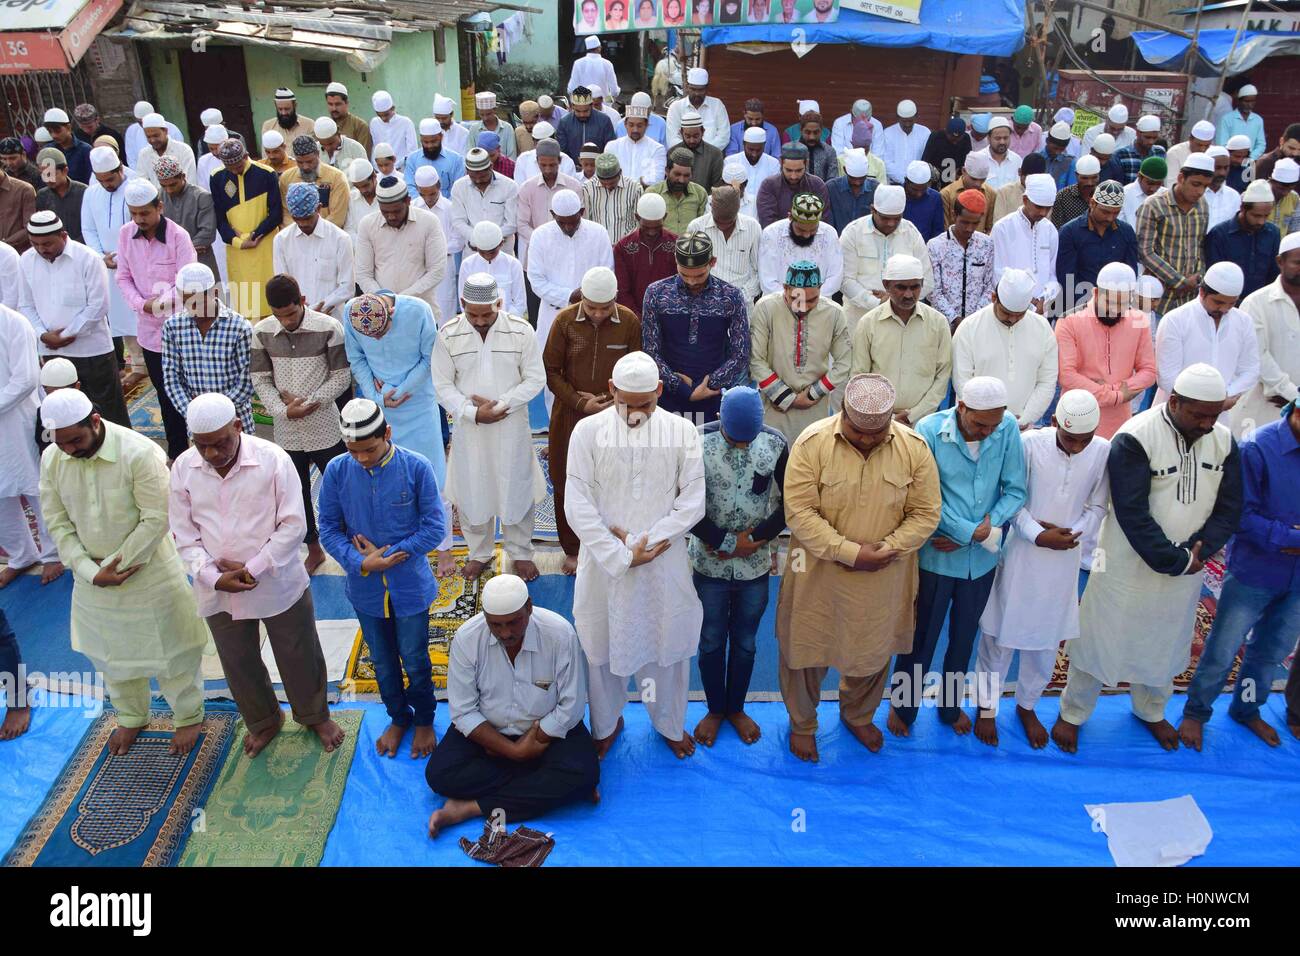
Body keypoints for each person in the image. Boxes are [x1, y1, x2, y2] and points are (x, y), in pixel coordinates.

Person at [1054, 365, 1243, 752]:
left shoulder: (1223, 440)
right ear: (1173, 401)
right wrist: (1173, 559)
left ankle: (1151, 711)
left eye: (1214, 414)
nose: (1208, 423)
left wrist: (1198, 553)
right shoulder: (1136, 436)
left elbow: (1230, 506)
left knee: (1167, 641)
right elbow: (1131, 511)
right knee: (1099, 640)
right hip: (1125, 566)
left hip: (1188, 567)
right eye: (1199, 415)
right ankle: (1072, 713)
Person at [169, 393, 345, 758]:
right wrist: (212, 576)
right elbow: (183, 534)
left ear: (238, 426)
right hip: (216, 585)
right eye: (203, 447)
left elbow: (294, 525)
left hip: (276, 577)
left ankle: (314, 716)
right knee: (237, 658)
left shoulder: (273, 460)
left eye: (220, 444)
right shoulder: (184, 468)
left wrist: (253, 567)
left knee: (298, 650)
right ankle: (263, 721)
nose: (213, 454)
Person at [779, 373, 941, 760]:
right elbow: (799, 512)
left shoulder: (915, 448)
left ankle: (858, 714)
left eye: (877, 433)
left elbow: (926, 513)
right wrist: (849, 553)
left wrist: (888, 548)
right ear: (843, 414)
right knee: (806, 651)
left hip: (885, 573)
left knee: (873, 648)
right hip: (819, 574)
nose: (867, 439)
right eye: (858, 431)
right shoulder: (811, 443)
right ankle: (803, 723)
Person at [39, 388, 209, 754]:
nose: (69, 450)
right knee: (110, 656)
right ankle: (131, 716)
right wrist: (88, 569)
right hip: (92, 578)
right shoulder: (54, 458)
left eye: (75, 440)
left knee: (174, 653)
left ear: (95, 422)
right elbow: (55, 520)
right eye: (61, 442)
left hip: (148, 570)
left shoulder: (138, 452)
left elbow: (157, 517)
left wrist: (117, 564)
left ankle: (188, 715)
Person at [565, 351, 706, 759]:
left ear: (660, 391)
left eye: (645, 404)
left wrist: (646, 544)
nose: (635, 413)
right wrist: (621, 554)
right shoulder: (587, 432)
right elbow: (577, 503)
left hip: (662, 562)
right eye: (626, 403)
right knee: (601, 647)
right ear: (611, 390)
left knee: (667, 649)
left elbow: (693, 502)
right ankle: (607, 724)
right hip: (605, 565)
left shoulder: (683, 432)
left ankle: (669, 724)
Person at [889, 377, 1027, 737]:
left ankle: (950, 709)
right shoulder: (930, 430)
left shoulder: (1006, 427)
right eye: (980, 424)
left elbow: (1015, 490)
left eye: (993, 425)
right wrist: (968, 532)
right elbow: (925, 497)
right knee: (920, 640)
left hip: (979, 561)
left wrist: (982, 530)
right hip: (936, 556)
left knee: (963, 639)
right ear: (961, 407)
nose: (987, 432)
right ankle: (903, 709)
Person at [973, 390, 1109, 748]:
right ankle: (986, 707)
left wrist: (1070, 534)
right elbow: (1011, 498)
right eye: (1070, 439)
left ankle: (1027, 705)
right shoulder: (1030, 443)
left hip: (1064, 557)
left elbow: (1098, 505)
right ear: (1053, 424)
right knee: (999, 634)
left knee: (1046, 641)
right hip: (1022, 554)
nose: (1078, 447)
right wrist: (1038, 534)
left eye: (1085, 439)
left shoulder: (1102, 451)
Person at [318, 399, 445, 758]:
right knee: (383, 661)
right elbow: (327, 527)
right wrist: (360, 562)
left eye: (369, 449)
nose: (362, 458)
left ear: (387, 434)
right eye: (353, 450)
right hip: (365, 589)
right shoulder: (337, 470)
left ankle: (423, 720)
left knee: (415, 657)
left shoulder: (416, 468)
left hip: (409, 589)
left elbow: (435, 527)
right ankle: (398, 717)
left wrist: (384, 558)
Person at [425, 573, 599, 836]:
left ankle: (471, 807)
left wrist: (536, 740)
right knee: (439, 774)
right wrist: (514, 751)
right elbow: (464, 711)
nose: (506, 633)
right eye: (496, 625)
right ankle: (548, 786)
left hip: (547, 734)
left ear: (529, 607)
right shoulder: (467, 638)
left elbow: (571, 706)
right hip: (490, 733)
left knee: (584, 773)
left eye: (514, 622)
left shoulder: (560, 634)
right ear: (484, 616)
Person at [1179, 397, 1300, 749]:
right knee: (1223, 648)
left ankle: (1246, 709)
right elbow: (1240, 516)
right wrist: (1292, 537)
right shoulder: (1259, 448)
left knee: (1271, 651)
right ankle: (1196, 713)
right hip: (1255, 572)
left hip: (1297, 579)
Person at [685, 387, 785, 747]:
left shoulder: (775, 443)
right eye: (735, 438)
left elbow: (791, 503)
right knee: (711, 640)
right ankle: (715, 709)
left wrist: (755, 540)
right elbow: (685, 504)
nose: (743, 445)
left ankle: (737, 708)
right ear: (721, 421)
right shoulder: (695, 443)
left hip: (755, 566)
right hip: (708, 565)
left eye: (749, 439)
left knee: (745, 642)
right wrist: (727, 542)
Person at [432, 274, 547, 582]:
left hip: (511, 426)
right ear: (462, 305)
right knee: (472, 488)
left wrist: (501, 405)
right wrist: (472, 413)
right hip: (471, 429)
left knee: (516, 486)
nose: (481, 321)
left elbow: (536, 378)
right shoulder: (448, 335)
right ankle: (479, 552)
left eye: (487, 313)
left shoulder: (521, 331)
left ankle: (520, 552)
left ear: (499, 303)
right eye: (473, 314)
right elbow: (442, 385)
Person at [543, 267, 642, 577]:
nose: (598, 314)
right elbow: (552, 371)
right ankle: (572, 549)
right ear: (582, 298)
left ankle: (609, 543)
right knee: (566, 478)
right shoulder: (564, 322)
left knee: (613, 479)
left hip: (616, 416)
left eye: (604, 307)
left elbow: (636, 367)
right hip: (570, 414)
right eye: (592, 307)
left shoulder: (628, 321)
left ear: (615, 299)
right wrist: (579, 402)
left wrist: (616, 401)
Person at [342, 291, 451, 567]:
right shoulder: (351, 313)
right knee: (385, 476)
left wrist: (400, 390)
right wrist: (377, 397)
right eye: (373, 338)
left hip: (418, 403)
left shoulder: (418, 311)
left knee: (434, 476)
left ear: (391, 312)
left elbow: (430, 359)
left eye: (382, 334)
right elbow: (357, 360)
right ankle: (396, 540)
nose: (377, 341)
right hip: (379, 407)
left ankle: (443, 547)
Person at [251, 275, 352, 574]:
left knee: (341, 487)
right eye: (278, 316)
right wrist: (283, 411)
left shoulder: (329, 328)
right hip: (287, 431)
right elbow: (261, 379)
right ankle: (314, 548)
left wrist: (309, 403)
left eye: (291, 314)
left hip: (325, 426)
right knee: (295, 494)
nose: (285, 322)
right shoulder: (261, 333)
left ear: (303, 301)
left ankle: (351, 544)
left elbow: (342, 376)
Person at [17, 210, 130, 426]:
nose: (42, 249)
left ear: (64, 236)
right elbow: (26, 304)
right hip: (51, 351)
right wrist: (43, 335)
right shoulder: (26, 260)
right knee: (64, 415)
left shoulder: (88, 258)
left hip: (92, 350)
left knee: (108, 413)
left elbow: (98, 306)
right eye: (35, 244)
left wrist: (67, 334)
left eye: (47, 243)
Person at [116, 178, 197, 460]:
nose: (139, 219)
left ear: (159, 207)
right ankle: (177, 452)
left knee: (193, 391)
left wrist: (159, 303)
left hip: (184, 331)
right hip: (149, 333)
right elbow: (123, 277)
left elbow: (187, 282)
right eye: (134, 213)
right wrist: (142, 305)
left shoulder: (178, 237)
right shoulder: (126, 235)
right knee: (165, 395)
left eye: (145, 213)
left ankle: (205, 445)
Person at [641, 232, 750, 424]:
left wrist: (707, 385)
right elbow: (650, 351)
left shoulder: (731, 296)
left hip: (711, 397)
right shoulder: (656, 293)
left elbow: (741, 353)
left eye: (699, 275)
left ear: (713, 262)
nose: (692, 281)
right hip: (667, 396)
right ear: (675, 262)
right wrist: (680, 387)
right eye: (685, 275)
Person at [526, 188, 615, 404]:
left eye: (572, 222)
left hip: (594, 315)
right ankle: (555, 426)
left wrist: (588, 299)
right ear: (552, 214)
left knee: (590, 368)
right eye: (562, 222)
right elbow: (536, 280)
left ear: (582, 212)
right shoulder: (540, 235)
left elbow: (607, 272)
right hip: (553, 315)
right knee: (553, 372)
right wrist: (569, 296)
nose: (568, 227)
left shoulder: (598, 233)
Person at [750, 260, 850, 444]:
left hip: (814, 406)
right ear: (785, 288)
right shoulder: (766, 308)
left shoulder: (834, 313)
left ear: (821, 288)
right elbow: (756, 359)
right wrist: (787, 398)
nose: (804, 306)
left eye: (812, 299)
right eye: (797, 299)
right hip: (774, 405)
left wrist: (813, 394)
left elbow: (844, 362)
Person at [1055, 262, 1158, 439]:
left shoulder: (1139, 320)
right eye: (1109, 302)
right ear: (1096, 293)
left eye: (1122, 304)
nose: (1114, 310)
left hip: (1120, 422)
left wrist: (1113, 390)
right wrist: (1116, 396)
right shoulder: (1069, 321)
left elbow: (1149, 371)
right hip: (1077, 420)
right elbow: (1066, 375)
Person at [0, 300, 62, 588]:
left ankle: (53, 553)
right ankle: (20, 555)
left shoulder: (14, 323)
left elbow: (25, 379)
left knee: (36, 486)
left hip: (18, 421)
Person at [849, 254, 951, 426]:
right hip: (878, 420)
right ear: (886, 285)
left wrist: (914, 414)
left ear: (922, 285)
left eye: (915, 287)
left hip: (924, 420)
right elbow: (859, 376)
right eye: (901, 288)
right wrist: (883, 415)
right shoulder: (868, 323)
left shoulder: (938, 323)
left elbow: (942, 376)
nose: (908, 294)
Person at [952, 268, 1058, 429]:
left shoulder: (1042, 328)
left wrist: (1025, 419)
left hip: (1023, 428)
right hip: (976, 426)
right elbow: (962, 382)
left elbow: (1047, 380)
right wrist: (990, 421)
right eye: (1007, 313)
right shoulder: (969, 328)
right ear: (994, 298)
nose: (1013, 319)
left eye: (1020, 314)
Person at [1154, 261, 1260, 418]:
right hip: (1178, 412)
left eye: (1231, 303)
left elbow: (1250, 369)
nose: (1224, 309)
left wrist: (1221, 398)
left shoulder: (1243, 322)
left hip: (1223, 414)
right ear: (1202, 292)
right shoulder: (1175, 320)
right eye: (1218, 302)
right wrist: (1204, 403)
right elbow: (1167, 377)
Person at [163, 263, 254, 439]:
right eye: (186, 302)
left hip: (236, 421)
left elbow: (247, 381)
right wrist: (194, 412)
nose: (191, 309)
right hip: (197, 425)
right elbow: (171, 378)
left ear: (215, 293)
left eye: (196, 302)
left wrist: (216, 413)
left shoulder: (239, 327)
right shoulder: (173, 326)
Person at [80, 146, 144, 386]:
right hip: (108, 264)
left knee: (143, 309)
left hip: (137, 260)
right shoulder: (91, 193)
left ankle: (153, 358)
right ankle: (138, 363)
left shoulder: (136, 187)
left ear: (120, 169)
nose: (107, 184)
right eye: (101, 180)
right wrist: (99, 256)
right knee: (121, 314)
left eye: (111, 178)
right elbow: (88, 228)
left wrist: (127, 256)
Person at [355, 173, 448, 319]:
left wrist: (400, 299)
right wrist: (383, 298)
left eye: (396, 211)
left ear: (408, 201)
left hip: (420, 311)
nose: (391, 216)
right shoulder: (367, 225)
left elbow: (437, 270)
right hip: (382, 314)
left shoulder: (429, 222)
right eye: (385, 212)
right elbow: (363, 274)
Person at [839, 185, 933, 330]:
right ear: (873, 210)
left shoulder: (911, 233)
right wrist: (876, 303)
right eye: (885, 218)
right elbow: (845, 280)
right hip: (858, 319)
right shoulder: (853, 233)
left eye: (897, 219)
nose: (891, 223)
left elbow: (927, 281)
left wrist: (895, 300)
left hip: (901, 320)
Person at [1232, 232, 1300, 431]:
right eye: (1297, 262)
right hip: (1263, 405)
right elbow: (1258, 356)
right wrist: (1292, 395)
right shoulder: (1256, 302)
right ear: (1280, 261)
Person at [210, 139, 282, 320]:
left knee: (271, 295)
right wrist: (238, 242)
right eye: (230, 167)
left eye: (238, 165)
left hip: (265, 244)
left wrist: (254, 235)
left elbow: (275, 214)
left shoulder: (266, 173)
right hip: (237, 250)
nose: (235, 171)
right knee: (245, 302)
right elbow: (219, 217)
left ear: (246, 156)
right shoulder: (217, 177)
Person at [1137, 152, 1213, 318]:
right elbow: (1144, 252)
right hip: (1158, 300)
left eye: (1205, 186)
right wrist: (1179, 281)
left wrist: (1198, 278)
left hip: (1191, 299)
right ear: (1180, 178)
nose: (1200, 191)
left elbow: (1200, 245)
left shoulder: (1202, 206)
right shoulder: (1154, 205)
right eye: (1196, 184)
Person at [272, 182, 353, 323]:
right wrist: (301, 311)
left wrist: (319, 308)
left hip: (332, 320)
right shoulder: (281, 240)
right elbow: (281, 286)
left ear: (319, 208)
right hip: (296, 322)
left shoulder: (340, 238)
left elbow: (347, 287)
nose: (303, 224)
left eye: (307, 218)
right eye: (297, 219)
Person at [1056, 179, 1139, 311]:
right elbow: (1067, 277)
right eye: (1105, 212)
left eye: (1116, 213)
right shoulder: (1070, 232)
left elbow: (1130, 273)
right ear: (1092, 203)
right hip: (1079, 308)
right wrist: (1091, 306)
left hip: (1114, 309)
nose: (1110, 218)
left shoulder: (1126, 232)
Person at [991, 173, 1060, 315]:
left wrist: (1043, 300)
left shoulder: (1050, 230)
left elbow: (1053, 275)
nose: (1043, 213)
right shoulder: (1003, 228)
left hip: (1042, 311)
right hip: (1010, 308)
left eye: (1048, 208)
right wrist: (1026, 303)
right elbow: (997, 273)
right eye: (1039, 207)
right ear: (1025, 199)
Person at [927, 188, 996, 328]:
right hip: (943, 325)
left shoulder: (986, 244)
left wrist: (974, 320)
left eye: (975, 223)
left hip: (978, 325)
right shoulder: (935, 246)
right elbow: (933, 291)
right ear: (954, 216)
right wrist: (954, 319)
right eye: (964, 222)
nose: (969, 228)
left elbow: (989, 286)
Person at [1205, 179, 1281, 300]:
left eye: (1266, 216)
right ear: (1242, 208)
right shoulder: (1219, 235)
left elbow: (1274, 274)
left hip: (1262, 303)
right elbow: (1215, 277)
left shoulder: (1273, 233)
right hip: (1228, 304)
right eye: (1256, 216)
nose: (1261, 221)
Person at [758, 192, 843, 297]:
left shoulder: (829, 233)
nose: (807, 235)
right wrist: (794, 300)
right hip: (778, 305)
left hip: (820, 303)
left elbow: (835, 277)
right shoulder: (771, 234)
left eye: (813, 230)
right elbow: (768, 281)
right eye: (801, 230)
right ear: (790, 217)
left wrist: (810, 300)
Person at [687, 186, 762, 304]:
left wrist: (741, 295)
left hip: (742, 304)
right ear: (711, 207)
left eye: (729, 222)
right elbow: (690, 270)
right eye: (718, 221)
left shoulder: (753, 227)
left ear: (738, 210)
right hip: (705, 303)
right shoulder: (696, 227)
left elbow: (758, 271)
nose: (723, 226)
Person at [613, 192, 677, 317]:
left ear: (665, 217)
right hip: (634, 318)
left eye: (657, 227)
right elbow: (622, 290)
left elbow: (680, 285)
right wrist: (638, 319)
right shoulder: (623, 247)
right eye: (646, 227)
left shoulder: (676, 244)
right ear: (637, 217)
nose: (652, 233)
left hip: (670, 316)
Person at [157, 155, 220, 279]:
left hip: (201, 261)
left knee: (209, 297)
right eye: (164, 186)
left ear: (183, 176)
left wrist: (176, 251)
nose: (168, 190)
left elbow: (207, 234)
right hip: (171, 266)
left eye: (173, 185)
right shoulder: (159, 196)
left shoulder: (202, 197)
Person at [449, 148, 518, 251]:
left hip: (502, 250)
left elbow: (512, 224)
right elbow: (458, 221)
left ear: (491, 167)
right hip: (473, 251)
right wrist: (475, 238)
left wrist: (490, 240)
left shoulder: (509, 186)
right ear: (467, 171)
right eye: (473, 176)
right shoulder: (459, 187)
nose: (478, 180)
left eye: (482, 176)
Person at [458, 220, 526, 318]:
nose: (487, 255)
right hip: (477, 323)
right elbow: (464, 302)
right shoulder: (467, 264)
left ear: (501, 243)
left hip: (507, 323)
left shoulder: (513, 264)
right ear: (476, 247)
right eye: (483, 252)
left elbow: (520, 303)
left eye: (492, 252)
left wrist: (504, 322)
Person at [756, 142, 830, 228]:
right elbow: (768, 223)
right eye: (789, 170)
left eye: (798, 171)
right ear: (781, 162)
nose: (793, 176)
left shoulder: (817, 185)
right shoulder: (769, 185)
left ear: (806, 163)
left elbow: (823, 221)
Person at [644, 149, 709, 235]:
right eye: (677, 174)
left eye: (686, 176)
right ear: (667, 171)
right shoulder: (653, 193)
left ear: (692, 174)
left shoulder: (700, 193)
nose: (681, 180)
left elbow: (703, 225)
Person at [605, 95, 667, 188]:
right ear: (625, 124)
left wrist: (623, 183)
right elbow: (607, 175)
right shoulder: (612, 146)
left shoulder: (657, 149)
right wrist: (640, 181)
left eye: (639, 125)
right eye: (631, 125)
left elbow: (657, 179)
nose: (635, 130)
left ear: (646, 125)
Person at [582, 153, 642, 245]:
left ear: (620, 173)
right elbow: (586, 221)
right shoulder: (588, 188)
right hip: (598, 246)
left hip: (627, 246)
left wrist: (623, 243)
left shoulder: (635, 188)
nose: (608, 186)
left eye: (612, 183)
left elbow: (639, 223)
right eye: (604, 184)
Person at [34, 148, 86, 243]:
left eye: (51, 174)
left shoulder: (84, 192)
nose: (48, 179)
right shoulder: (42, 196)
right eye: (44, 175)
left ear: (65, 171)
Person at [940, 151, 997, 234]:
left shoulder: (991, 194)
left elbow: (990, 228)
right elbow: (945, 229)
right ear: (963, 171)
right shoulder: (947, 194)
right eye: (973, 179)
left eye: (982, 179)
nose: (978, 184)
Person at [135, 113, 196, 189]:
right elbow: (142, 184)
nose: (152, 140)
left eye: (156, 135)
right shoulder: (144, 154)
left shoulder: (184, 150)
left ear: (166, 131)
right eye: (148, 137)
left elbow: (189, 182)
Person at [556, 87, 615, 165]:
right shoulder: (564, 122)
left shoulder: (604, 121)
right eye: (578, 111)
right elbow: (562, 152)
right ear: (573, 106)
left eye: (585, 111)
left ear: (591, 105)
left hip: (598, 169)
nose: (582, 114)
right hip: (573, 169)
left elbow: (610, 148)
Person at [824, 147, 877, 233]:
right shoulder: (831, 188)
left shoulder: (876, 189)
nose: (857, 183)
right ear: (845, 170)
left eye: (861, 178)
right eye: (853, 178)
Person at [879, 100, 931, 186]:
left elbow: (926, 159)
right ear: (898, 117)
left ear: (916, 116)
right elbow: (886, 162)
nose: (907, 124)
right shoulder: (888, 133)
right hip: (894, 185)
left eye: (910, 121)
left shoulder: (925, 133)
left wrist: (915, 179)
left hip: (918, 185)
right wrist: (905, 180)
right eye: (904, 121)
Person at [1215, 83, 1266, 160]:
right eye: (1246, 101)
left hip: (1250, 163)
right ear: (1239, 101)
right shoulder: (1227, 119)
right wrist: (1235, 158)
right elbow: (1222, 143)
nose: (1249, 105)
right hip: (1230, 162)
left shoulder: (1258, 120)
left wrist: (1250, 158)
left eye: (1252, 101)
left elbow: (1261, 144)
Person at [369, 92, 418, 169]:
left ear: (393, 108)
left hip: (403, 170)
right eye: (379, 115)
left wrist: (396, 166)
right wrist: (377, 168)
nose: (383, 118)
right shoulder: (374, 123)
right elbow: (375, 147)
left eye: (386, 115)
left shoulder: (406, 123)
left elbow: (412, 152)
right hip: (381, 170)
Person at [323, 82, 374, 156]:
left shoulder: (360, 126)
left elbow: (363, 156)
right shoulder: (324, 126)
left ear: (346, 103)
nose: (334, 108)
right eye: (330, 104)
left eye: (338, 104)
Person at [1163, 120, 1217, 188]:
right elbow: (1171, 185)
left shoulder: (1214, 153)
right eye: (1199, 145)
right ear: (1190, 139)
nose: (1203, 149)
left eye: (1207, 146)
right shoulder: (1175, 153)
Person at [923, 117, 973, 187]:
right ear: (946, 131)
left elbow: (968, 162)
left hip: (956, 181)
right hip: (935, 180)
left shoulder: (966, 139)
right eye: (952, 138)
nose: (955, 142)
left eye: (958, 139)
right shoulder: (936, 137)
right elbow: (925, 160)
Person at [1121, 155, 1167, 230]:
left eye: (1158, 184)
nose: (1153, 189)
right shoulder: (1123, 194)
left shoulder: (1166, 195)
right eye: (1150, 183)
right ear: (1139, 176)